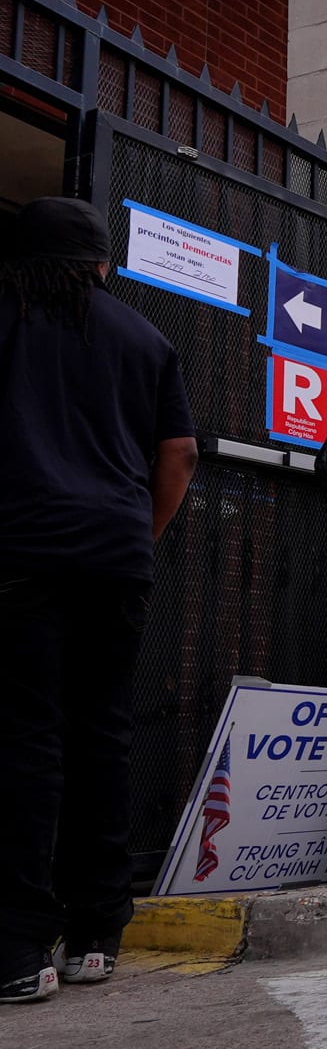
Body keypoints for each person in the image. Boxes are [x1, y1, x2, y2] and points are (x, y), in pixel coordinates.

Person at [0, 198, 197, 1004]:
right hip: (115, 559)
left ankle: (19, 945)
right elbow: (179, 453)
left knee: (24, 740)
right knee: (102, 737)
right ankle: (96, 933)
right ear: (103, 264)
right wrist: (137, 535)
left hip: (19, 555)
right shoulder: (143, 337)